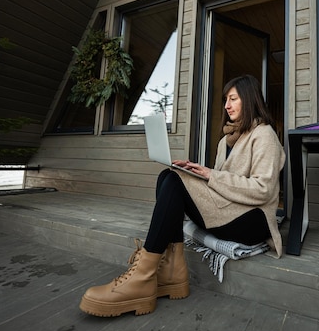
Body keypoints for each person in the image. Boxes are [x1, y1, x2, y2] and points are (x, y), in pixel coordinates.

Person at [79, 74, 286, 317]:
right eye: (225, 100)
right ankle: (172, 270)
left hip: (253, 221)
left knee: (175, 182)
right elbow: (221, 186)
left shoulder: (264, 135)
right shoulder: (225, 141)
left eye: (233, 99)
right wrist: (199, 174)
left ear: (249, 100)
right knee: (168, 176)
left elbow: (263, 189)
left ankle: (143, 276)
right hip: (230, 210)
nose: (226, 105)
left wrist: (209, 175)